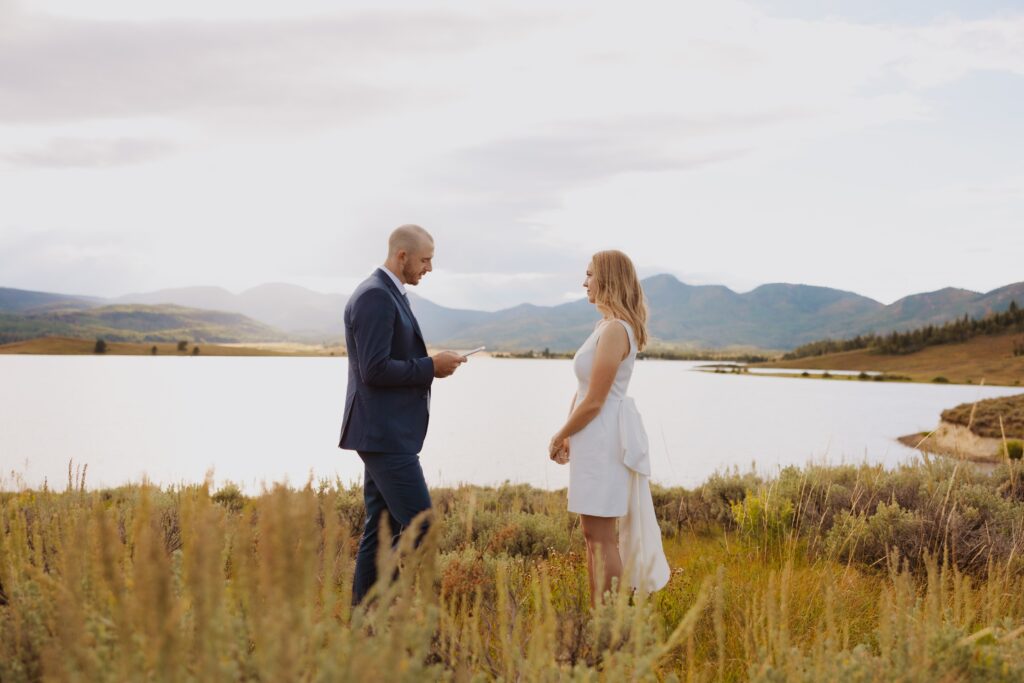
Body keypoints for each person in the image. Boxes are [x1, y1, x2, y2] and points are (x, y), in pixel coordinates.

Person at [340, 224, 466, 605]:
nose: (428, 267)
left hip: (385, 432)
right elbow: (374, 370)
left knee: (378, 531)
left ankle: (367, 622)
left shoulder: (388, 294)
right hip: (383, 434)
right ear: (402, 256)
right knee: (422, 524)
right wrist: (431, 366)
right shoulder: (375, 296)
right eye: (425, 259)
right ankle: (385, 604)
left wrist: (433, 363)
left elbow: (388, 360)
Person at [548, 250, 670, 605]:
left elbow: (596, 399)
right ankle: (599, 615)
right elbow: (583, 390)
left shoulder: (617, 331)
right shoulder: (604, 326)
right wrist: (570, 432)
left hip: (603, 438)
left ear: (608, 280)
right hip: (590, 436)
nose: (584, 282)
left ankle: (612, 623)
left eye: (589, 275)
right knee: (592, 534)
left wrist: (560, 433)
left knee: (602, 537)